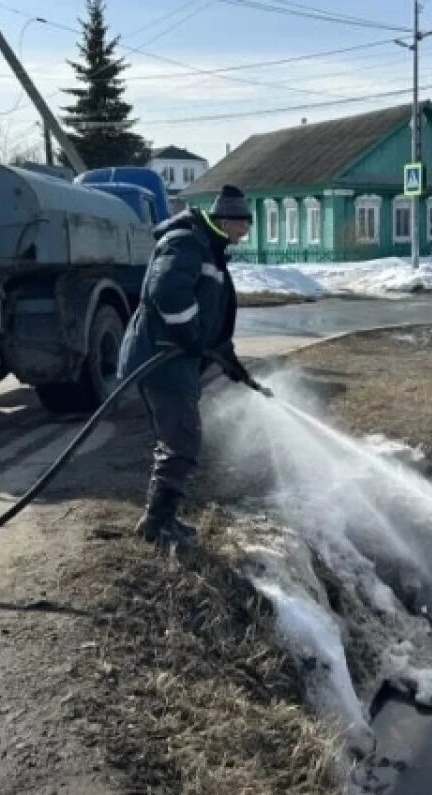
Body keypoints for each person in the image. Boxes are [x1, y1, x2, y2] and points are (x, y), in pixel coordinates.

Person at [118, 185, 255, 547]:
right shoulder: (186, 243)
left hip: (173, 355)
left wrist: (230, 361)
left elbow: (209, 318)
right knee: (182, 439)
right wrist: (190, 337)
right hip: (161, 355)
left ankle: (163, 520)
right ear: (227, 220)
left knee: (178, 438)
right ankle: (156, 525)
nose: (246, 233)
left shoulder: (207, 247)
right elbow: (167, 291)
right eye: (244, 224)